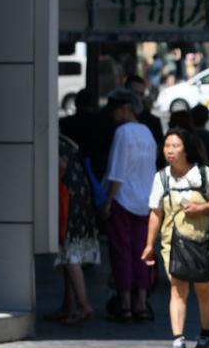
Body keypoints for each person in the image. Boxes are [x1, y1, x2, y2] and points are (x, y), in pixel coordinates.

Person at [143, 127, 209, 348]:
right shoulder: (161, 178)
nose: (170, 151)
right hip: (172, 244)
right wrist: (150, 245)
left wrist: (201, 208)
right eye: (167, 146)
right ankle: (178, 339)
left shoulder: (203, 173)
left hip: (201, 242)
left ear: (186, 149)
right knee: (177, 289)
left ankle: (205, 334)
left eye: (175, 146)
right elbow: (155, 213)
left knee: (203, 290)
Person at [104, 88, 158, 323]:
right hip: (145, 201)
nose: (112, 115)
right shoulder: (147, 132)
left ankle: (125, 304)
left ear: (125, 109)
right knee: (142, 252)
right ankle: (141, 302)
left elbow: (117, 172)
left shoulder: (122, 132)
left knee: (121, 253)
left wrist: (107, 201)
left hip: (123, 200)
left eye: (115, 110)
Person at [47, 137, 100, 325]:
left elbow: (61, 165)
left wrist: (52, 184)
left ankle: (84, 307)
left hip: (68, 201)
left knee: (70, 255)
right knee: (70, 252)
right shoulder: (69, 142)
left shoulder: (54, 142)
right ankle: (69, 307)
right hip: (81, 197)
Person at [126, 74, 165, 151]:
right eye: (134, 93)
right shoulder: (117, 119)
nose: (137, 98)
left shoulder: (153, 122)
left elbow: (159, 152)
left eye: (141, 94)